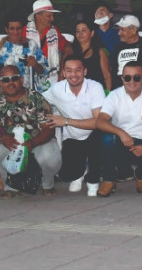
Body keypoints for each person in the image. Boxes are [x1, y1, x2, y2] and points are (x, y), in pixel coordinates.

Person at [0, 65, 61, 198]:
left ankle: (47, 184)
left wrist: (32, 143)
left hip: (39, 141)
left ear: (21, 80)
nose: (10, 83)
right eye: (5, 80)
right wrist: (2, 138)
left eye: (14, 78)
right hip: (14, 143)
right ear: (0, 83)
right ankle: (11, 186)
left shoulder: (36, 98)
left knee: (48, 158)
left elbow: (49, 130)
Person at [95, 61, 142, 196]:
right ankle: (109, 179)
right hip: (123, 142)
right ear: (122, 79)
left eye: (136, 77)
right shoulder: (114, 95)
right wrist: (121, 133)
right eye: (127, 77)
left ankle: (141, 175)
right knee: (107, 139)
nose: (131, 81)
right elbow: (100, 121)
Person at [42, 54, 105, 196]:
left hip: (95, 134)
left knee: (101, 139)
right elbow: (38, 100)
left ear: (85, 71)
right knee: (67, 175)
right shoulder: (57, 89)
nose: (73, 75)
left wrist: (65, 121)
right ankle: (81, 169)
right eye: (69, 71)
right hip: (73, 138)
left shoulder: (95, 87)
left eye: (78, 70)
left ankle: (93, 179)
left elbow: (98, 122)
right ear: (63, 73)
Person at [0, 15, 49, 92]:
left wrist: (35, 64)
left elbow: (44, 71)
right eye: (12, 28)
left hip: (26, 95)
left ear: (23, 28)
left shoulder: (32, 45)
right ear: (6, 29)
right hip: (2, 95)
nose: (15, 32)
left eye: (18, 28)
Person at [111, 15, 142, 93]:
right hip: (121, 93)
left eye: (122, 30)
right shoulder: (117, 48)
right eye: (119, 30)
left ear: (133, 30)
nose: (119, 33)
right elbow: (114, 72)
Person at [26, 0, 70, 89]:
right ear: (38, 16)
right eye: (49, 16)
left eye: (52, 15)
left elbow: (68, 47)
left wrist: (62, 72)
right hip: (29, 79)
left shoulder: (54, 31)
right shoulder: (24, 32)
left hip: (51, 79)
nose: (52, 19)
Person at [73, 21, 111, 91]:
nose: (80, 34)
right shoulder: (71, 52)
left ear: (92, 33)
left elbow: (107, 76)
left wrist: (108, 95)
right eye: (77, 31)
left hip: (96, 92)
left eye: (83, 30)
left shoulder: (100, 52)